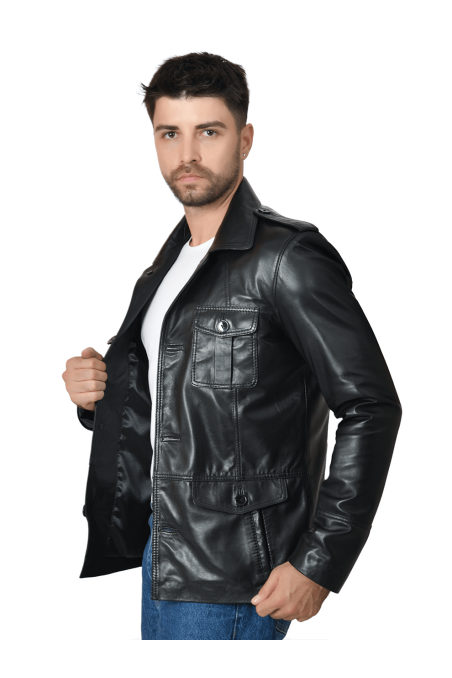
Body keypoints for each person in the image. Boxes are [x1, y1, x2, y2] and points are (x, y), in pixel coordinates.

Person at [62, 52, 402, 640]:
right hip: (164, 551)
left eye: (209, 132)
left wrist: (320, 562)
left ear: (245, 140)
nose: (187, 154)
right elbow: (185, 407)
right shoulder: (167, 265)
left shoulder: (287, 258)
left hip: (238, 572)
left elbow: (371, 406)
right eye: (170, 133)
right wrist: (96, 396)